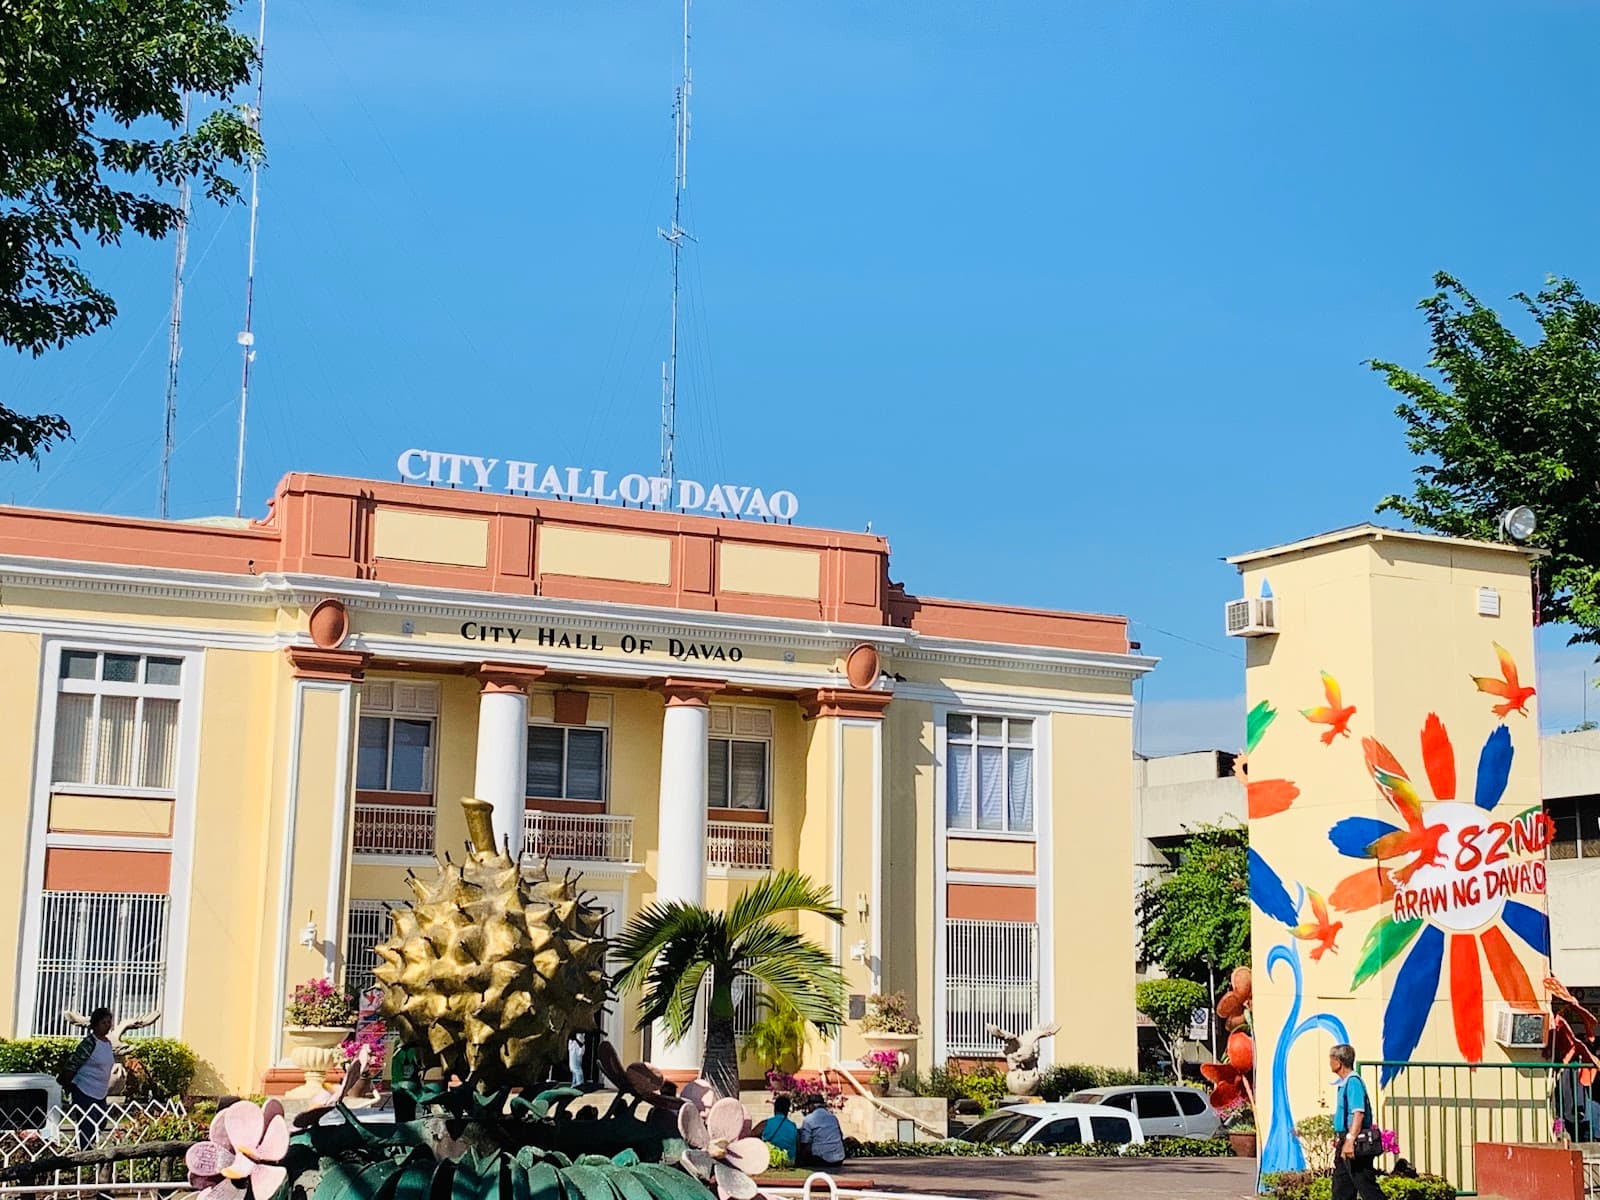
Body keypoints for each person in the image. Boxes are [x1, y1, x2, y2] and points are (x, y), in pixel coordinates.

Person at [1330, 1043, 1384, 1200]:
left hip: (1354, 1143)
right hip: (1345, 1139)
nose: (1330, 1063)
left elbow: (1358, 1113)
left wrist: (1349, 1140)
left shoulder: (1353, 1082)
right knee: (1342, 1188)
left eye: (1331, 1058)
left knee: (1366, 1186)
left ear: (1338, 1061)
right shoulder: (1345, 1082)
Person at [59, 1007, 116, 1149]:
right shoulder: (89, 1044)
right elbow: (73, 1064)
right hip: (84, 1089)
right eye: (104, 1022)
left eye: (109, 1022)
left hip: (100, 1091)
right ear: (95, 1025)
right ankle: (84, 1154)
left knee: (101, 1122)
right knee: (87, 1125)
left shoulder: (108, 1043)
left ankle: (89, 1148)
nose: (108, 1025)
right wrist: (67, 1084)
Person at [797, 1096, 846, 1170]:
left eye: (808, 1106)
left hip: (821, 1160)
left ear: (812, 1106)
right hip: (839, 1159)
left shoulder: (809, 1119)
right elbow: (840, 1136)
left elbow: (805, 1143)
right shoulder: (833, 1118)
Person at [757, 1095, 799, 1162]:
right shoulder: (793, 1126)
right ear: (788, 1110)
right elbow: (797, 1145)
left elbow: (749, 1137)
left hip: (769, 1160)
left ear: (775, 1108)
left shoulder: (765, 1123)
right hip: (789, 1161)